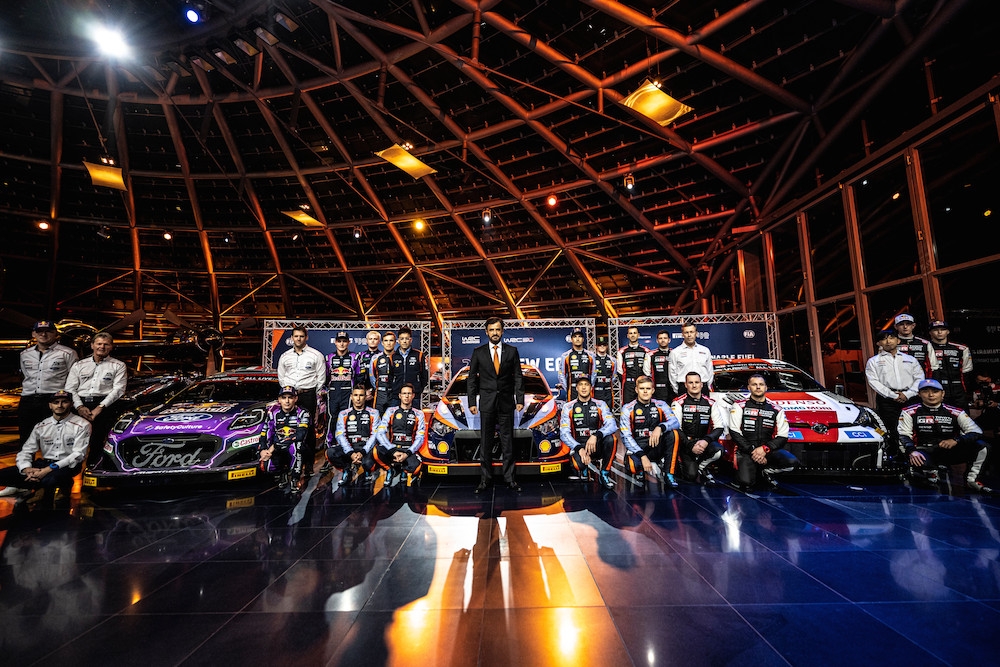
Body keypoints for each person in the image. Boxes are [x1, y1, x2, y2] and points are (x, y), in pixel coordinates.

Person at [899, 378, 992, 494]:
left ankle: (972, 480)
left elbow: (977, 431)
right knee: (932, 482)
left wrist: (956, 440)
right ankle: (922, 471)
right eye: (925, 391)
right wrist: (912, 451)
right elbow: (903, 435)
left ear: (942, 393)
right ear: (919, 394)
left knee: (982, 446)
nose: (931, 395)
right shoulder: (909, 412)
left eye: (935, 391)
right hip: (923, 451)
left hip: (949, 450)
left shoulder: (956, 412)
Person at [0, 390, 90, 504]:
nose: (60, 405)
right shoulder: (41, 426)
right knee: (3, 475)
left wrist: (48, 470)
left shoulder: (82, 424)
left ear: (71, 404)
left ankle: (60, 485)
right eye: (56, 402)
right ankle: (37, 485)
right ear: (50, 405)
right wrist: (26, 469)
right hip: (43, 464)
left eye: (64, 402)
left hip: (67, 466)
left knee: (50, 479)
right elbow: (26, 451)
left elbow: (78, 455)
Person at [467, 317, 525, 493]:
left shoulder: (512, 351)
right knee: (485, 442)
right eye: (491, 330)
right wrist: (472, 402)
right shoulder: (478, 352)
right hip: (486, 403)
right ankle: (485, 480)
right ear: (486, 332)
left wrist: (520, 399)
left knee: (508, 442)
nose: (494, 333)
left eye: (497, 329)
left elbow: (518, 376)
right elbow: (471, 379)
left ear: (502, 331)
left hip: (506, 402)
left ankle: (510, 479)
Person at [728, 374, 801, 491]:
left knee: (792, 462)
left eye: (761, 384)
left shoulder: (776, 409)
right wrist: (752, 451)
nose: (758, 387)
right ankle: (753, 472)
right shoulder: (739, 406)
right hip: (746, 450)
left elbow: (783, 436)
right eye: (754, 384)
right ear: (749, 388)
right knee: (746, 483)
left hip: (768, 450)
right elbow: (734, 432)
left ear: (766, 387)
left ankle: (766, 471)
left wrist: (765, 449)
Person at [275, 325, 326, 482]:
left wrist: (313, 392)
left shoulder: (316, 355)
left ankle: (308, 465)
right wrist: (288, 393)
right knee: (287, 428)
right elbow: (281, 376)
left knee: (308, 430)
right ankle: (287, 464)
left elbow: (321, 377)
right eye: (296, 336)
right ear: (292, 338)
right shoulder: (285, 356)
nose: (298, 339)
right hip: (289, 395)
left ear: (306, 337)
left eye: (301, 336)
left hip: (307, 394)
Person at [64, 332, 127, 453]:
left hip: (105, 406)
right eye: (99, 344)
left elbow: (119, 390)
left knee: (98, 443)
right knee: (73, 442)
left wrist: (100, 407)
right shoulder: (79, 365)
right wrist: (79, 407)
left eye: (106, 344)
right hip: (79, 403)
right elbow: (70, 388)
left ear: (111, 347)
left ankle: (93, 464)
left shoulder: (119, 365)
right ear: (92, 345)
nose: (102, 347)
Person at [17, 320, 78, 446]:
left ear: (55, 333)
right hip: (28, 400)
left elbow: (74, 379)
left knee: (55, 439)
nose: (43, 334)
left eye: (48, 331)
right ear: (34, 334)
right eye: (39, 331)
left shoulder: (68, 353)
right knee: (26, 438)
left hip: (54, 399)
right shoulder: (25, 354)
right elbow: (26, 375)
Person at [864, 328, 924, 449]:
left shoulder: (911, 359)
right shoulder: (873, 361)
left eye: (891, 338)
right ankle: (895, 454)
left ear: (898, 340)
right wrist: (893, 395)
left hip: (911, 398)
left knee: (914, 427)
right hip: (887, 400)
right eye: (884, 339)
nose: (888, 341)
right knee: (890, 429)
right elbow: (874, 382)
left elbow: (919, 378)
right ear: (878, 343)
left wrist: (908, 394)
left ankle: (915, 452)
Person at [620, 376, 681, 487]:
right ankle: (641, 468)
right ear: (636, 390)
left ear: (653, 390)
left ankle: (669, 474)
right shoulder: (627, 408)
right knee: (633, 467)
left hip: (657, 446)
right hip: (639, 448)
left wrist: (661, 427)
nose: (645, 391)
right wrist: (642, 456)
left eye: (648, 388)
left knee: (674, 434)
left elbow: (675, 422)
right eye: (642, 388)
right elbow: (625, 436)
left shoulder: (661, 404)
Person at [559, 377, 618, 488]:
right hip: (579, 446)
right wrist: (578, 448)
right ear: (576, 388)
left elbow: (612, 425)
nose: (584, 387)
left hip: (596, 445)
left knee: (612, 439)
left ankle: (604, 473)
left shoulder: (600, 404)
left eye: (586, 384)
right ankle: (584, 468)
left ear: (591, 388)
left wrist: (596, 435)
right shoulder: (568, 407)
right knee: (578, 466)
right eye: (581, 384)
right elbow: (564, 433)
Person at [671, 371, 725, 484]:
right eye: (690, 383)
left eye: (696, 382)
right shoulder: (678, 403)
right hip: (685, 444)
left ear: (701, 384)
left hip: (703, 442)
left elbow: (719, 427)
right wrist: (690, 445)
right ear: (686, 385)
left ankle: (702, 467)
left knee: (719, 451)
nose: (694, 385)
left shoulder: (711, 403)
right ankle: (683, 464)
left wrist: (706, 441)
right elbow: (676, 428)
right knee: (691, 476)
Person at [258, 385, 311, 493]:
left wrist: (275, 446)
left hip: (296, 447)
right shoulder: (273, 414)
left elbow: (300, 435)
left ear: (295, 399)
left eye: (290, 397)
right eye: (284, 398)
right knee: (266, 465)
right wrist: (263, 449)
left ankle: (295, 478)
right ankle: (282, 473)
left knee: (297, 446)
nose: (287, 401)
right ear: (279, 399)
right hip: (278, 448)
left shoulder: (303, 413)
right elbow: (264, 433)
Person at [373, 384, 425, 487]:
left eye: (409, 393)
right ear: (400, 395)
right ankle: (390, 470)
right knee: (376, 451)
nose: (406, 396)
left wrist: (408, 453)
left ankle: (404, 470)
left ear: (413, 396)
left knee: (417, 468)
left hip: (408, 450)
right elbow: (380, 433)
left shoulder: (419, 414)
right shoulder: (390, 411)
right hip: (393, 448)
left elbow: (420, 437)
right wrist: (392, 450)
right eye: (404, 393)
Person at [327, 386, 380, 485]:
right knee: (330, 452)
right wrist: (350, 453)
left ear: (366, 397)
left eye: (361, 395)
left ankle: (368, 470)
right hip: (350, 448)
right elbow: (340, 435)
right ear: (351, 397)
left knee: (372, 459)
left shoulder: (374, 413)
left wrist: (363, 452)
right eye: (355, 395)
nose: (358, 398)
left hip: (366, 448)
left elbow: (375, 435)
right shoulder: (343, 414)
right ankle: (347, 469)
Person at [927, 320, 974, 409]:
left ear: (948, 331)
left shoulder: (961, 348)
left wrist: (965, 390)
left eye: (943, 329)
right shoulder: (926, 348)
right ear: (930, 332)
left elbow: (967, 371)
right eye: (935, 330)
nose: (939, 332)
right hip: (936, 391)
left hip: (959, 391)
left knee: (963, 415)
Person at [669, 321, 714, 395]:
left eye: (691, 332)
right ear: (682, 334)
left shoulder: (705, 350)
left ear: (696, 333)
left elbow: (710, 370)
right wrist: (678, 389)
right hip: (683, 388)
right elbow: (672, 374)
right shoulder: (675, 352)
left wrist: (706, 386)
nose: (689, 335)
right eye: (686, 332)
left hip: (703, 387)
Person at [325, 331, 356, 424]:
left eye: (344, 341)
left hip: (348, 393)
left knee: (347, 417)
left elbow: (358, 376)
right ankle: (330, 434)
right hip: (333, 393)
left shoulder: (354, 357)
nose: (342, 344)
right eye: (339, 341)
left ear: (348, 342)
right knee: (332, 418)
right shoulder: (329, 357)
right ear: (335, 342)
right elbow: (325, 376)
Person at [390, 327, 428, 404]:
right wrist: (393, 389)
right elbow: (390, 376)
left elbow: (424, 375)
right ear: (398, 341)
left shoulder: (419, 355)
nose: (404, 341)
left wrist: (418, 390)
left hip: (414, 396)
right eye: (402, 339)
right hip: (396, 395)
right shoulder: (392, 356)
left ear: (411, 340)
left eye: (407, 338)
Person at [557, 328, 595, 402]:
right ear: (571, 339)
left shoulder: (591, 355)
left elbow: (594, 373)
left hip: (586, 390)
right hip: (572, 390)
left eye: (580, 336)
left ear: (583, 339)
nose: (577, 339)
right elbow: (561, 374)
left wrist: (589, 387)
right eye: (575, 336)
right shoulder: (565, 356)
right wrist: (568, 388)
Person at [616, 326, 649, 406]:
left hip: (642, 384)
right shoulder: (622, 351)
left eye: (634, 333)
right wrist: (626, 382)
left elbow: (648, 370)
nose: (633, 335)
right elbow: (619, 371)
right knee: (627, 406)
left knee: (643, 405)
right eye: (630, 333)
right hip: (628, 385)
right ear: (628, 336)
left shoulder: (646, 351)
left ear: (638, 335)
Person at [353, 330, 383, 406]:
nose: (372, 341)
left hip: (377, 391)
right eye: (370, 339)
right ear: (366, 341)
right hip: (362, 391)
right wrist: (363, 390)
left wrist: (372, 391)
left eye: (375, 339)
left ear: (379, 341)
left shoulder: (382, 356)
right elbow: (357, 375)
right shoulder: (360, 355)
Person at [369, 331, 397, 414]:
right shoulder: (375, 358)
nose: (388, 343)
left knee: (394, 418)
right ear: (382, 343)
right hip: (380, 393)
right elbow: (372, 377)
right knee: (378, 417)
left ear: (395, 342)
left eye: (391, 340)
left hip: (395, 394)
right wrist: (379, 387)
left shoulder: (399, 357)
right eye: (386, 340)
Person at [647, 328, 673, 402]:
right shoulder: (651, 355)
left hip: (673, 388)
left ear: (669, 340)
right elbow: (647, 373)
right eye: (660, 338)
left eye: (665, 338)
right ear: (657, 340)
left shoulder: (675, 353)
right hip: (658, 389)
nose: (663, 340)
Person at [592, 335, 616, 406]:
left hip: (608, 391)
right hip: (596, 391)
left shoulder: (613, 360)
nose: (602, 346)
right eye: (600, 345)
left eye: (604, 345)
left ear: (607, 346)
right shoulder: (592, 359)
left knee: (609, 410)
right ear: (596, 346)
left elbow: (614, 375)